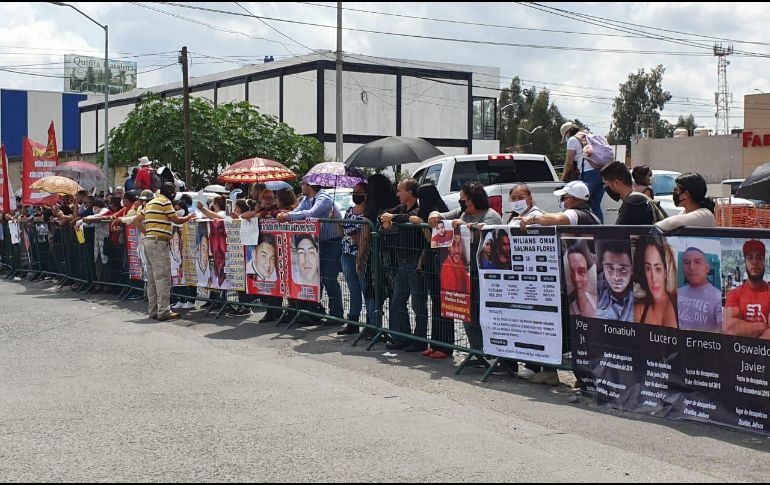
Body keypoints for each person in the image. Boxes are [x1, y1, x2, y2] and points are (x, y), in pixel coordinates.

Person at [518, 181, 598, 386]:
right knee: (568, 329)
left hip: (581, 286)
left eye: (564, 198)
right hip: (575, 285)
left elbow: (558, 217)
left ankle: (585, 378)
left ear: (573, 200)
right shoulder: (592, 216)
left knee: (580, 332)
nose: (562, 202)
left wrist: (532, 218)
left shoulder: (579, 214)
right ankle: (562, 372)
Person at [276, 180, 343, 323]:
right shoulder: (306, 199)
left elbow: (311, 214)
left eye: (303, 184)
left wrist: (287, 216)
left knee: (329, 278)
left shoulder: (323, 198)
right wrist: (286, 215)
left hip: (331, 242)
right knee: (315, 278)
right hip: (317, 243)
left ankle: (337, 315)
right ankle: (315, 311)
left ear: (309, 186)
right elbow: (297, 211)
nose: (301, 187)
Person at [132, 182, 195, 320]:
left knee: (153, 280)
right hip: (158, 242)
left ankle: (153, 310)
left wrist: (148, 232)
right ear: (171, 192)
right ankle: (163, 311)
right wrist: (190, 217)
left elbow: (136, 221)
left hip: (149, 241)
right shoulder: (165, 202)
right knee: (162, 278)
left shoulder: (151, 202)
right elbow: (177, 220)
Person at [380, 178, 428, 351]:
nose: (397, 194)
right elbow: (385, 214)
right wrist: (388, 218)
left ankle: (420, 339)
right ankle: (403, 336)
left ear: (410, 192)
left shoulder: (418, 208)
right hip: (402, 261)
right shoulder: (400, 208)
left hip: (416, 261)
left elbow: (409, 218)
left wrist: (392, 218)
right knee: (397, 301)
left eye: (400, 190)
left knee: (418, 303)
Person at [410, 183, 454, 359]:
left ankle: (445, 345)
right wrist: (421, 261)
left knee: (443, 305)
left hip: (440, 260)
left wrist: (423, 225)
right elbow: (426, 246)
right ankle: (435, 343)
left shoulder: (438, 214)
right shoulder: (427, 212)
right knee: (435, 303)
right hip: (429, 260)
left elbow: (434, 241)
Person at [337, 182, 368, 335]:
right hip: (346, 253)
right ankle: (353, 322)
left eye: (359, 192)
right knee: (352, 289)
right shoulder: (349, 211)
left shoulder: (368, 213)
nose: (355, 195)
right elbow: (342, 233)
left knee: (366, 289)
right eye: (354, 192)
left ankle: (370, 324)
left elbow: (365, 236)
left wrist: (359, 258)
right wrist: (336, 221)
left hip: (361, 256)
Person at [724, 240, 770, 338]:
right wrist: (763, 326)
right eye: (750, 257)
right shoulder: (734, 294)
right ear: (745, 262)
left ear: (764, 262)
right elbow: (728, 328)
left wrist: (744, 330)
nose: (754, 262)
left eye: (759, 258)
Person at [560, 121, 605, 222]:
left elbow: (569, 162)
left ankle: (581, 231)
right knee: (596, 205)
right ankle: (600, 231)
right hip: (602, 174)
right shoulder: (589, 136)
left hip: (588, 174)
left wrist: (562, 179)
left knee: (578, 203)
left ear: (567, 133)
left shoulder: (573, 139)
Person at [633, 236, 678, 327]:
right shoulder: (639, 310)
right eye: (648, 268)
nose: (653, 278)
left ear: (665, 272)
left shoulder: (680, 305)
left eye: (658, 269)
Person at [518, 181, 600, 230]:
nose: (561, 201)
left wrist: (531, 219)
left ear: (570, 200)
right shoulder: (587, 214)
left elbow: (555, 218)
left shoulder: (575, 214)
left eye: (562, 198)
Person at [678, 247, 723, 333]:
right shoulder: (678, 292)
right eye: (687, 262)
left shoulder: (717, 298)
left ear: (707, 269)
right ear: (683, 268)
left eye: (698, 262)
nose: (691, 267)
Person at [600, 161, 655, 225]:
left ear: (616, 182)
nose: (606, 187)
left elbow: (618, 232)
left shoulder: (633, 203)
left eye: (606, 184)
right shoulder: (636, 200)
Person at [595, 239, 634, 322]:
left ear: (632, 269)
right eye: (610, 268)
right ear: (603, 266)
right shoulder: (595, 287)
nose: (616, 277)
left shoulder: (640, 295)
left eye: (623, 269)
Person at [566, 241, 597, 318]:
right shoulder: (569, 310)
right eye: (572, 272)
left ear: (587, 274)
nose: (576, 279)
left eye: (581, 271)